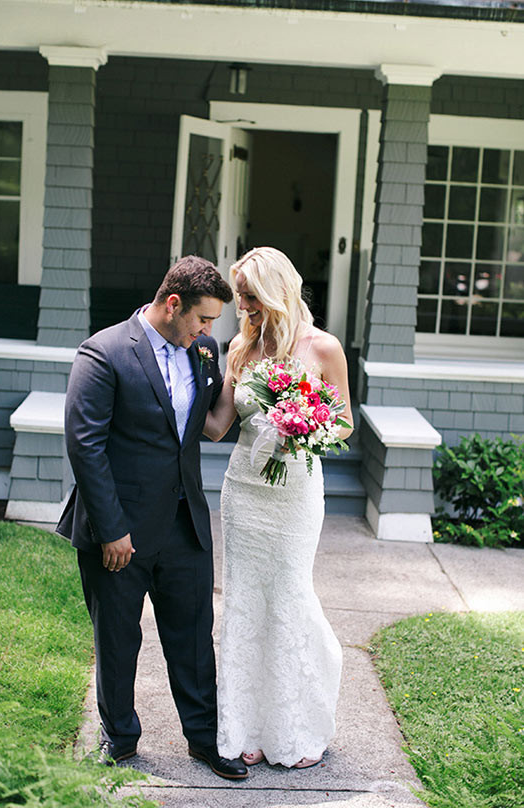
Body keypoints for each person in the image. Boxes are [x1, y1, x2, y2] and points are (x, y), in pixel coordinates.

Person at [56, 256, 248, 780]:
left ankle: (204, 740)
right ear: (173, 304)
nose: (208, 331)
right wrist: (111, 529)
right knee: (118, 639)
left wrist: (246, 369)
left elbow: (209, 426)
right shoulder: (104, 352)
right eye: (202, 319)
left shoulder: (204, 351)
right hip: (120, 531)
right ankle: (119, 738)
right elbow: (85, 445)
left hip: (185, 524)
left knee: (193, 638)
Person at [203, 246, 353, 769]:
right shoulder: (240, 347)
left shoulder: (324, 348)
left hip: (296, 494)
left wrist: (307, 428)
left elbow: (345, 423)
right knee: (245, 602)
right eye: (239, 295)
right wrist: (176, 389)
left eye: (249, 295)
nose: (242, 305)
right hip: (244, 491)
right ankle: (245, 726)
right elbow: (218, 425)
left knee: (289, 598)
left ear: (277, 291)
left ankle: (292, 726)